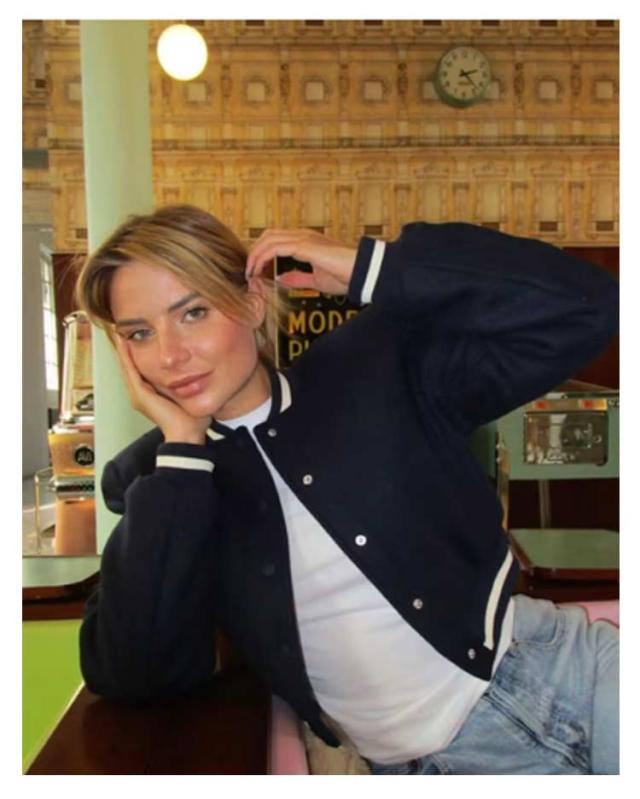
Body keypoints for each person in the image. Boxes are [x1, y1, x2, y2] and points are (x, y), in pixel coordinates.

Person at [75, 205, 619, 775]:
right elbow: (132, 673)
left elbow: (589, 308)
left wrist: (377, 267)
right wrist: (184, 448)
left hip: (571, 674)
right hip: (435, 768)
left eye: (194, 313)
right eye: (140, 333)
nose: (170, 355)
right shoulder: (163, 482)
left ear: (253, 302)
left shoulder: (377, 365)